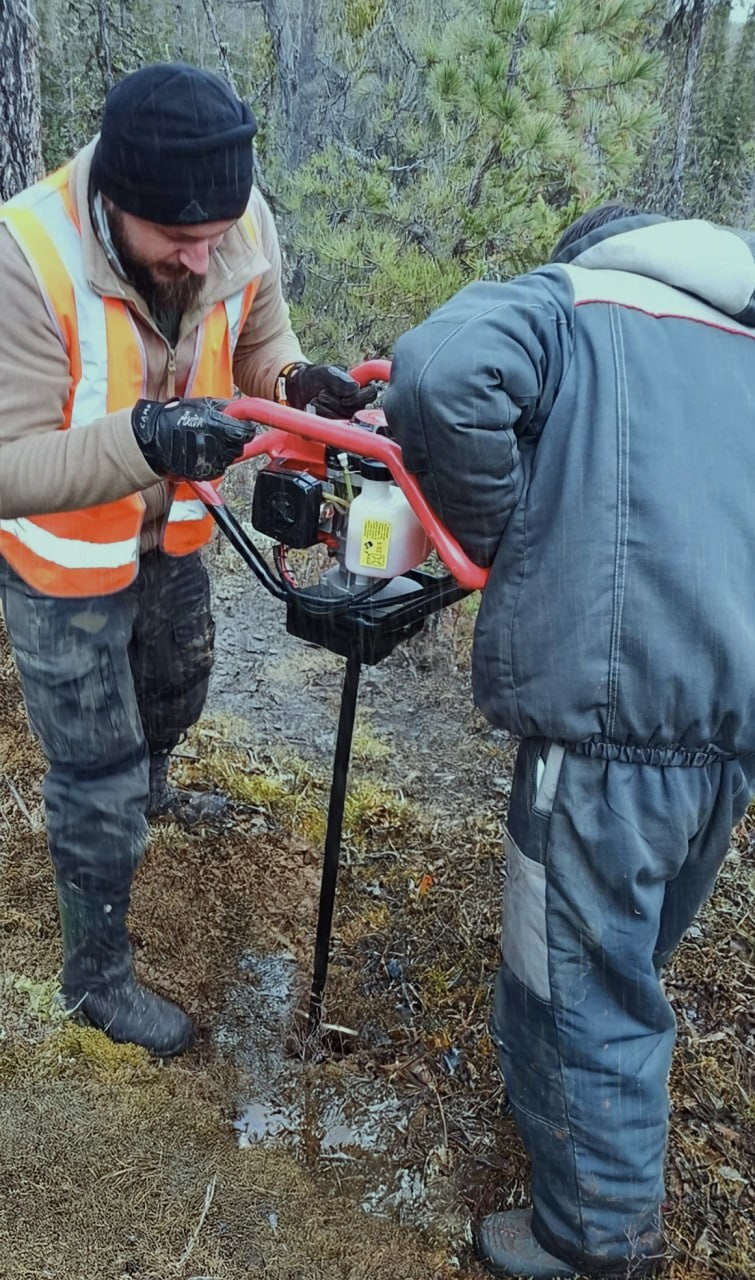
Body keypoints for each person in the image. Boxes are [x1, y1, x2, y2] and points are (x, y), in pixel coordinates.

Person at [383, 203, 755, 1279]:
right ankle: (581, 1145)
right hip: (721, 728)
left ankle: (593, 1241)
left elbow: (441, 375)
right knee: (626, 950)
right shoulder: (735, 339)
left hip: (606, 727)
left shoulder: (573, 304)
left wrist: (509, 536)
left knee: (579, 986)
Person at [0, 61, 375, 1059]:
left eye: (215, 238)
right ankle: (95, 981)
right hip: (63, 565)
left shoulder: (233, 223)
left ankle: (156, 783)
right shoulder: (27, 256)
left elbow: (261, 335)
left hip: (172, 537)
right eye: (177, 241)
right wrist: (150, 438)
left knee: (174, 686)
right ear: (116, 203)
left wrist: (296, 381)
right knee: (97, 772)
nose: (201, 257)